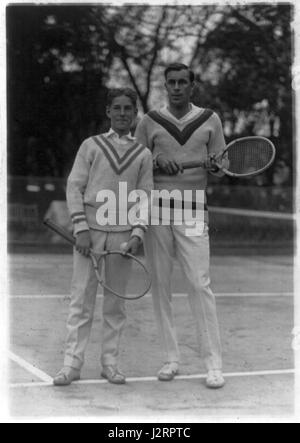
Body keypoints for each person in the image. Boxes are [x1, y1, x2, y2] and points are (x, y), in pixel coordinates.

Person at [135, 63, 227, 389]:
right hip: (156, 211)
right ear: (165, 86)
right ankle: (171, 359)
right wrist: (156, 160)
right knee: (160, 286)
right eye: (171, 82)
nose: (176, 87)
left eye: (182, 82)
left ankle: (213, 365)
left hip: (192, 212)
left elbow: (222, 163)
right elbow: (135, 160)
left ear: (192, 86)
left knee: (200, 285)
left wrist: (216, 165)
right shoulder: (150, 121)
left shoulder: (210, 120)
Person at [53, 88, 153, 386]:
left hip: (123, 238)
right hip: (90, 235)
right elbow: (74, 187)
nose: (123, 114)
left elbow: (145, 197)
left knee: (115, 305)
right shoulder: (91, 145)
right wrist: (81, 229)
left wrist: (137, 233)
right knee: (81, 302)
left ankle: (110, 363)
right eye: (117, 108)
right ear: (108, 111)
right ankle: (72, 364)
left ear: (135, 114)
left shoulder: (143, 154)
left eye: (128, 109)